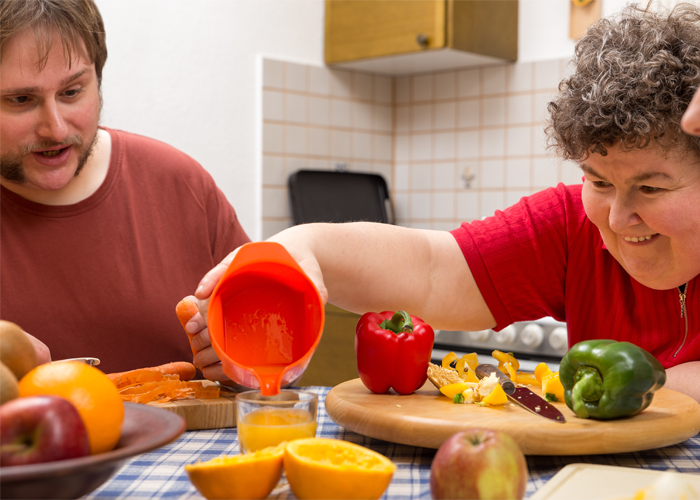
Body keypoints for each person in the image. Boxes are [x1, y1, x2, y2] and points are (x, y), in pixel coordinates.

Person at [186, 4, 700, 402]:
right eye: (598, 181)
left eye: (651, 189)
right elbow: (432, 269)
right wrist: (302, 245)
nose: (615, 218)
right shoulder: (568, 226)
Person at [0, 0, 250, 373]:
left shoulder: (180, 183)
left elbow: (276, 341)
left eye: (72, 92)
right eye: (21, 99)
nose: (55, 128)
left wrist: (248, 360)